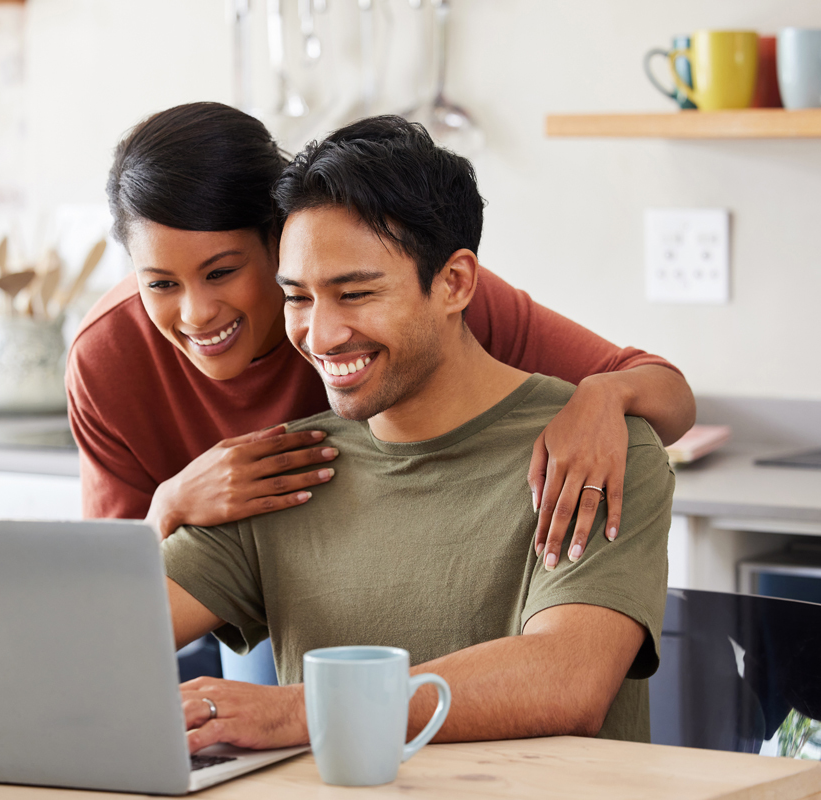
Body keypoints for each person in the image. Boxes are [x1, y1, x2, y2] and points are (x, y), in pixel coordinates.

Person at [65, 102, 693, 682]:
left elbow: (662, 388)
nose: (197, 313)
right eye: (160, 284)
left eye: (222, 271)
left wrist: (603, 398)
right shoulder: (111, 358)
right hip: (256, 565)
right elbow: (95, 629)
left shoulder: (438, 292)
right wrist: (167, 507)